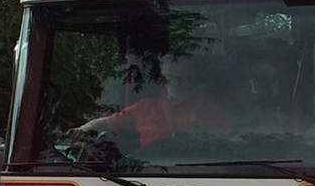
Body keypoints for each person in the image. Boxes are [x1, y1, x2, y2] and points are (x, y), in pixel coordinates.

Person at [75, 57, 230, 148]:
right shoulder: (145, 106)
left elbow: (227, 137)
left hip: (197, 168)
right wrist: (85, 129)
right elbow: (110, 122)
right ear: (163, 79)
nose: (181, 82)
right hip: (151, 170)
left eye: (186, 78)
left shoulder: (206, 104)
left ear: (193, 78)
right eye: (173, 77)